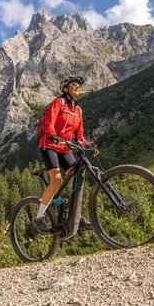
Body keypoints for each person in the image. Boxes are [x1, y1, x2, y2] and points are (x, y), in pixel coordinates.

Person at [34, 75, 99, 234]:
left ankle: (77, 216)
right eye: (74, 85)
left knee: (75, 180)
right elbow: (49, 122)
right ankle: (39, 218)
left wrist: (89, 145)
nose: (78, 87)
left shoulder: (78, 111)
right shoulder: (58, 103)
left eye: (79, 86)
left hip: (65, 148)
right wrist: (53, 135)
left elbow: (80, 137)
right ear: (65, 89)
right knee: (56, 180)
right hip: (49, 144)